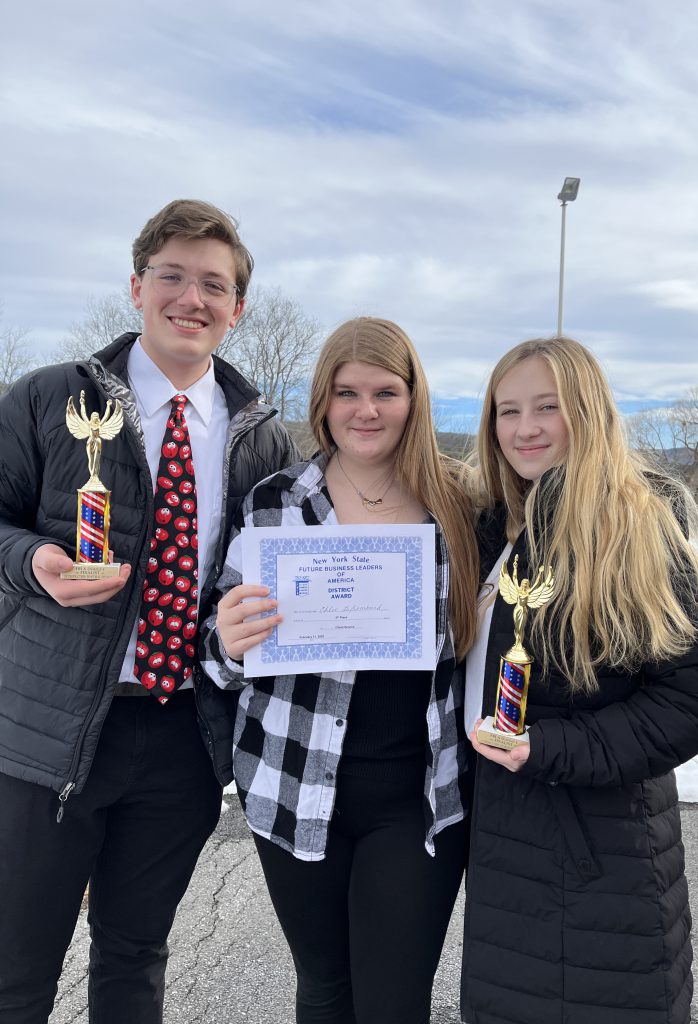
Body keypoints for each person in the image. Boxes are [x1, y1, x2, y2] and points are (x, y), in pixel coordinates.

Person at [0, 199, 298, 1024]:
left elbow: (286, 573)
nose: (191, 298)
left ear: (237, 309)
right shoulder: (49, 399)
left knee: (135, 957)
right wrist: (32, 563)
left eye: (214, 284)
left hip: (182, 737)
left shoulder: (262, 440)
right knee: (16, 969)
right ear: (137, 287)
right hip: (45, 735)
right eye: (172, 276)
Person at [200, 317, 479, 1024]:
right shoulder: (275, 502)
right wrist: (228, 643)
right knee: (324, 988)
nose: (366, 410)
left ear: (415, 399)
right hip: (292, 781)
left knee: (392, 1002)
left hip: (416, 795)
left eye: (386, 391)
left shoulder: (463, 505)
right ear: (322, 400)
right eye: (347, 392)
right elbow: (214, 649)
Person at [460, 337, 698, 1024]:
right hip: (509, 846)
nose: (524, 428)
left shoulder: (629, 525)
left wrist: (553, 748)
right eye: (507, 410)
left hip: (594, 854)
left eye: (547, 407)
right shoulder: (500, 523)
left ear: (587, 412)